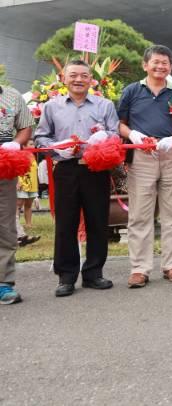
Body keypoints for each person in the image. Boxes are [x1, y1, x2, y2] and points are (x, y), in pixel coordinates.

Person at [34, 59, 119, 297]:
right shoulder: (52, 107)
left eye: (84, 75)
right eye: (73, 75)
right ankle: (66, 276)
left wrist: (102, 138)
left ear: (92, 79)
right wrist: (57, 148)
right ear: (64, 78)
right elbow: (41, 138)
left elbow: (115, 135)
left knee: (97, 221)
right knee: (65, 223)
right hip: (66, 169)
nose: (78, 80)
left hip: (95, 168)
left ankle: (94, 273)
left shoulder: (105, 105)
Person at [118, 45, 172, 288]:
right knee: (140, 213)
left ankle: (171, 264)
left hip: (171, 155)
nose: (160, 66)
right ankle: (139, 268)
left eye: (165, 63)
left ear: (171, 67)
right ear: (145, 65)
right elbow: (119, 123)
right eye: (156, 62)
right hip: (141, 156)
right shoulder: (132, 91)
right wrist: (132, 135)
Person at [0, 84, 34, 305]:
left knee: (5, 225)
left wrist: (16, 143)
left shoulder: (12, 95)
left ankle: (4, 283)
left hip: (3, 165)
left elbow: (26, 127)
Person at [16, 141, 40, 246]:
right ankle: (17, 227)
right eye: (30, 144)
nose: (33, 146)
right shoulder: (19, 155)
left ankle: (28, 224)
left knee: (28, 205)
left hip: (33, 185)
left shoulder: (33, 156)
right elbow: (17, 170)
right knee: (18, 206)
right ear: (24, 146)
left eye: (33, 144)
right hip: (23, 184)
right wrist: (19, 182)